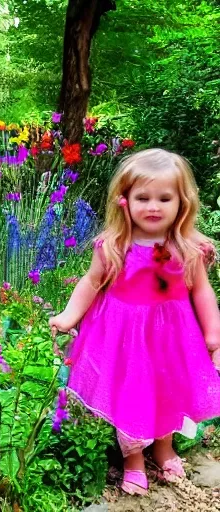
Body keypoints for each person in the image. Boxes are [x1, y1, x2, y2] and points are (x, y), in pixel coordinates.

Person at [49, 148, 220, 495]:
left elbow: (202, 292)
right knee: (133, 393)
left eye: (164, 198)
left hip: (172, 337)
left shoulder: (187, 248)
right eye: (143, 197)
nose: (153, 206)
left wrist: (213, 333)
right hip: (124, 337)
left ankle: (163, 446)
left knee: (167, 388)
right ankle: (134, 459)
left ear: (181, 203)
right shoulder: (114, 245)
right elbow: (90, 283)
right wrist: (69, 316)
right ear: (124, 200)